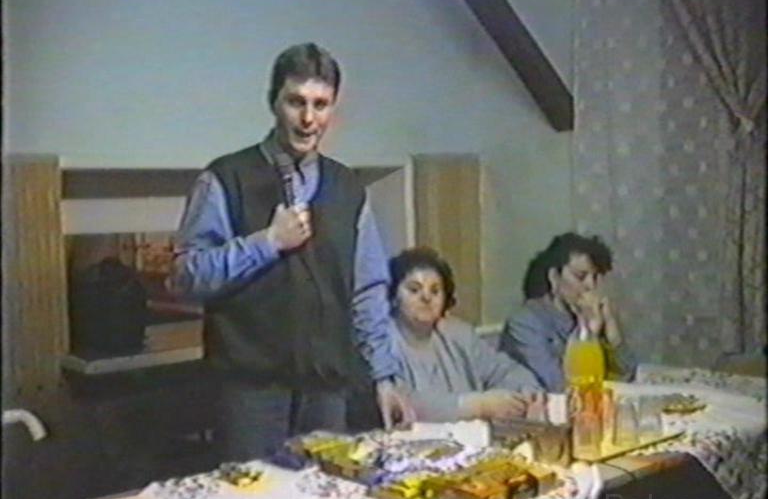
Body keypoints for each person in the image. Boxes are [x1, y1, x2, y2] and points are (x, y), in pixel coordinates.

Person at [168, 43, 413, 461]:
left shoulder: (349, 189)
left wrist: (384, 378)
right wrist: (267, 243)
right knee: (253, 498)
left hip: (326, 391)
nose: (308, 118)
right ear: (274, 102)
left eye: (321, 104)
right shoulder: (225, 178)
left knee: (327, 495)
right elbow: (186, 276)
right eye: (296, 102)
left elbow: (367, 291)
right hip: (249, 393)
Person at [387, 247, 542, 422]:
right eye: (414, 290)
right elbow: (402, 404)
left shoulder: (459, 335)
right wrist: (478, 406)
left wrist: (527, 391)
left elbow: (504, 370)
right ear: (394, 297)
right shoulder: (382, 344)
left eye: (435, 291)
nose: (426, 297)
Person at [498, 232, 635, 392]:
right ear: (554, 277)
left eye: (595, 277)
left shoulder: (589, 315)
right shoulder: (524, 323)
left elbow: (627, 375)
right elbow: (560, 386)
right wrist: (587, 333)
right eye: (580, 276)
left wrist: (613, 334)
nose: (590, 285)